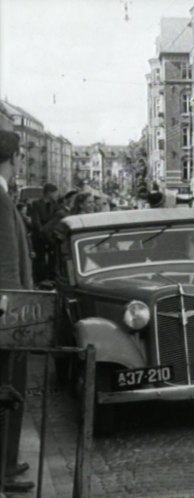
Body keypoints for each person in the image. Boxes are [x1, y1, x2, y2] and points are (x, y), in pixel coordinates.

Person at [0, 130, 35, 494]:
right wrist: (16, 316)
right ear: (11, 158)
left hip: (12, 311)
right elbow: (7, 265)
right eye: (20, 157)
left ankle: (8, 460)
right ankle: (3, 469)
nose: (21, 163)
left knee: (11, 389)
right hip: (10, 316)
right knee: (7, 388)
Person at [30, 183, 58, 282]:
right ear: (49, 193)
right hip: (39, 236)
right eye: (55, 193)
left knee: (52, 258)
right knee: (40, 258)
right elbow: (36, 221)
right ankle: (40, 278)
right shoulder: (36, 204)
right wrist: (42, 231)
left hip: (50, 236)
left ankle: (51, 276)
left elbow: (55, 220)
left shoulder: (55, 205)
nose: (56, 195)